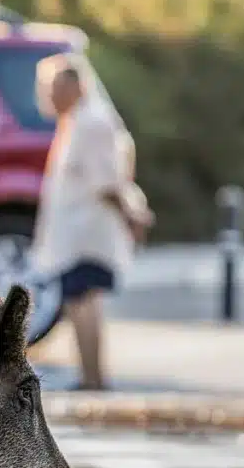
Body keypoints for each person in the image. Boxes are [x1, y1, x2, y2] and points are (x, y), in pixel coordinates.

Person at [31, 63, 155, 391]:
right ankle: (91, 375)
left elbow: (108, 182)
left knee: (82, 299)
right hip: (75, 233)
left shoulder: (92, 123)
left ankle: (93, 377)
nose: (48, 95)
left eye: (53, 87)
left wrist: (130, 217)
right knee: (80, 301)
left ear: (74, 86)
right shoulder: (77, 121)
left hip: (86, 233)